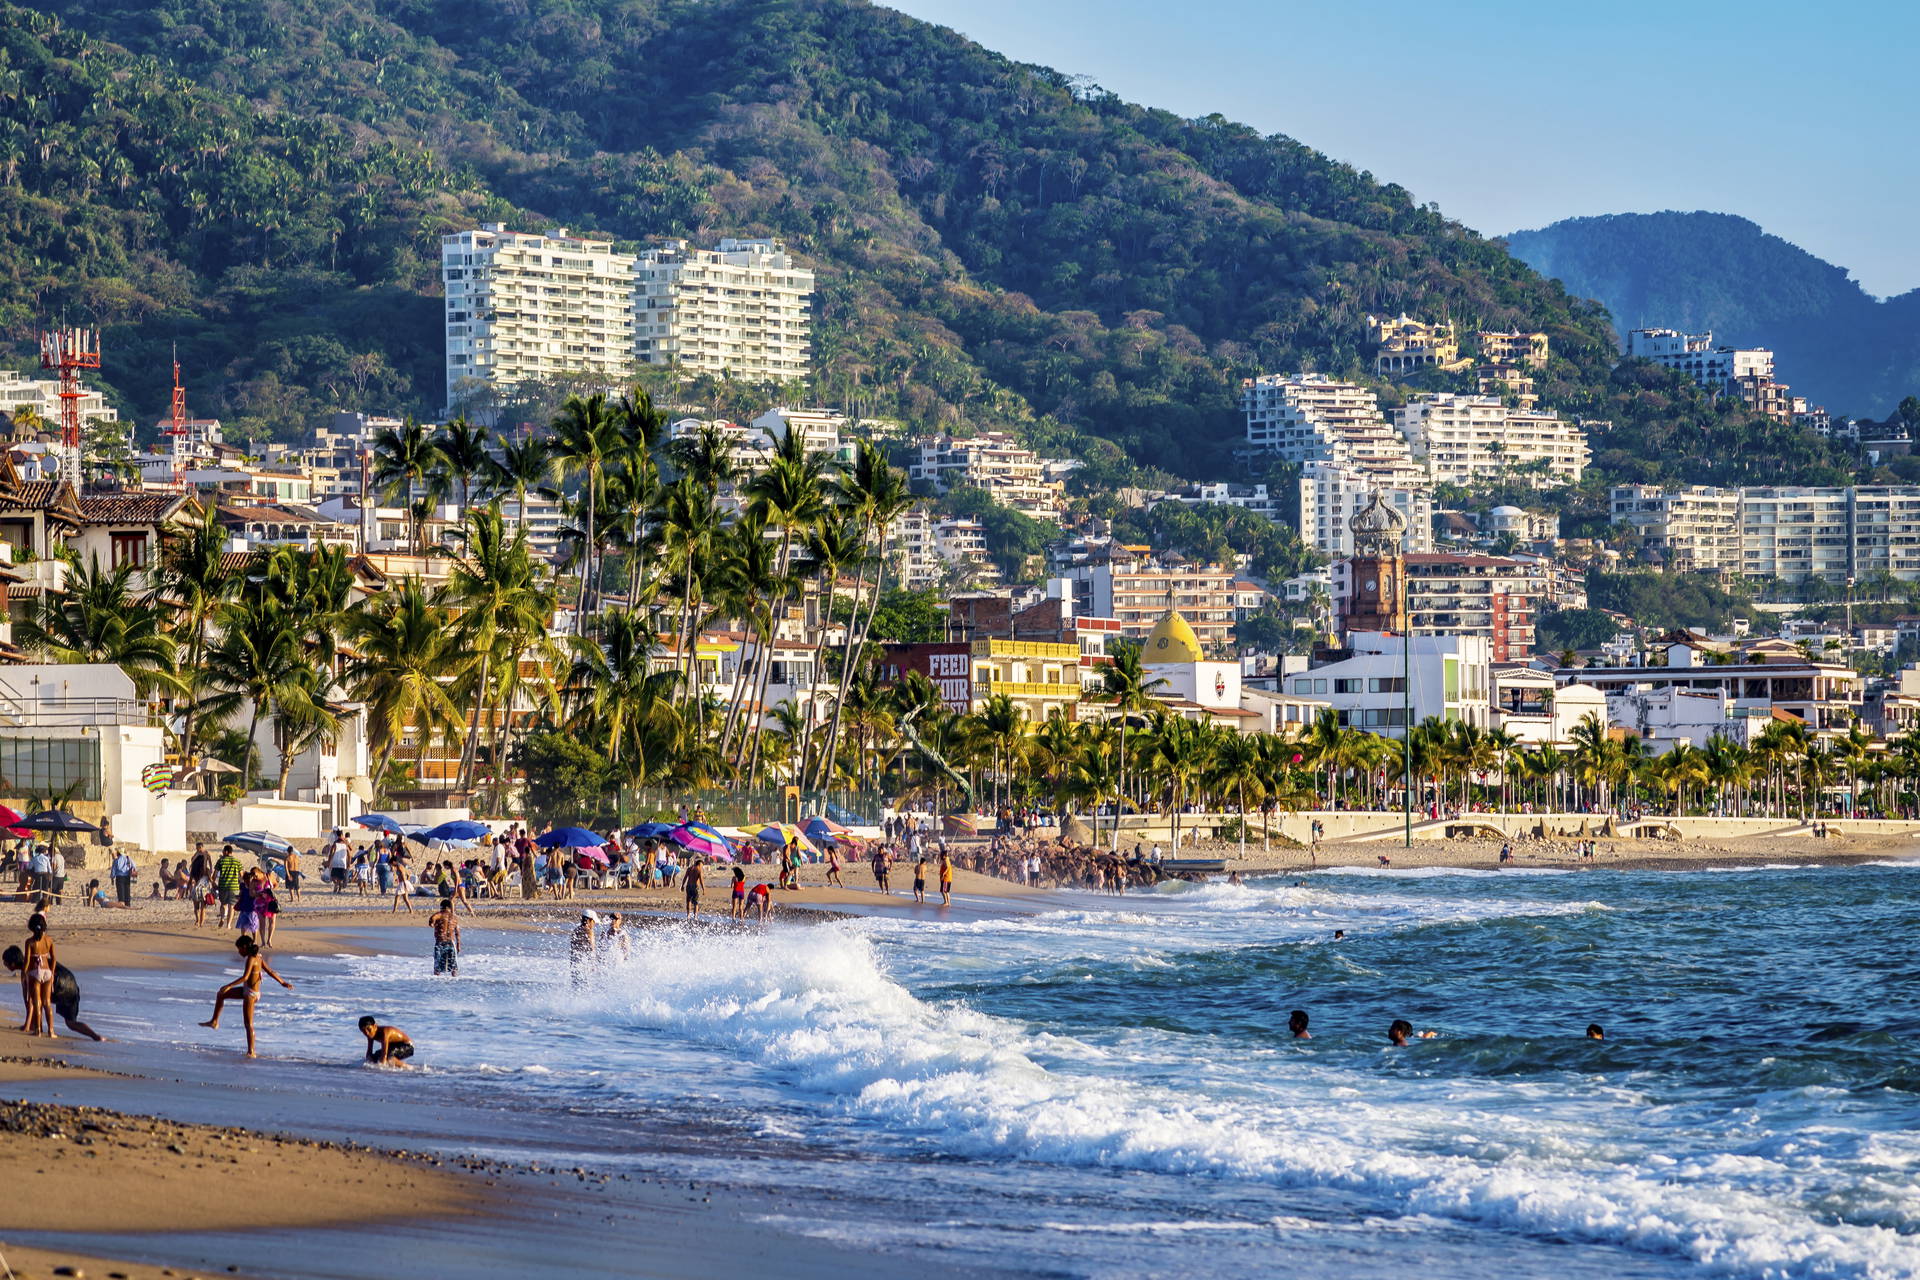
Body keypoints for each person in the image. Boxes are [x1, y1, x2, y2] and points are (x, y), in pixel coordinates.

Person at [200, 935, 293, 1058]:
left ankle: (251, 1052)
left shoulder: (251, 958)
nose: (238, 952)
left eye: (239, 949)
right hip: (246, 990)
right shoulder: (258, 957)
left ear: (244, 947)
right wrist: (282, 982)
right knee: (220, 994)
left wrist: (228, 985)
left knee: (248, 1024)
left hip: (251, 994)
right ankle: (214, 1021)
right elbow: (270, 971)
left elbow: (245, 977)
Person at [3, 944, 101, 1040]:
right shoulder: (38, 959)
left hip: (57, 983)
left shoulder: (27, 969)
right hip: (71, 985)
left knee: (37, 998)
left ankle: (36, 1027)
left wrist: (26, 1026)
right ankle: (96, 1036)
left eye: (5, 962)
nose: (4, 965)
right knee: (71, 1023)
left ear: (12, 963)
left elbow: (30, 1002)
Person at [18, 914, 56, 1038]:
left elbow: (27, 961)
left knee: (37, 1002)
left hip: (35, 972)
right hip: (47, 971)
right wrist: (53, 972)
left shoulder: (30, 942)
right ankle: (51, 1031)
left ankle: (38, 1030)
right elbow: (54, 958)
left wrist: (24, 974)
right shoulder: (49, 940)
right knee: (47, 1002)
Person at [213, 845, 243, 928]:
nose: (222, 852)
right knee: (231, 906)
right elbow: (241, 875)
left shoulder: (221, 861)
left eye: (223, 851)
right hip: (234, 887)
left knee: (223, 904)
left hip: (223, 886)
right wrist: (241, 884)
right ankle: (228, 925)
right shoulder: (237, 861)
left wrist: (213, 882)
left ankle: (222, 918)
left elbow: (215, 874)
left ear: (226, 851)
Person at [428, 899, 460, 977]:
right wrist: (458, 945)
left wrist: (431, 923)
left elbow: (433, 917)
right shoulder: (454, 918)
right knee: (454, 968)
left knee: (437, 968)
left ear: (442, 907)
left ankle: (437, 986)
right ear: (449, 907)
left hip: (440, 943)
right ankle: (455, 983)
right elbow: (457, 933)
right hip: (451, 943)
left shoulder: (440, 914)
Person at [569, 910, 597, 979]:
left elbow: (572, 949)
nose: (594, 924)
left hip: (575, 964)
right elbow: (592, 948)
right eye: (594, 922)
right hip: (585, 965)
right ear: (590, 920)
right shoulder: (589, 931)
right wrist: (594, 965)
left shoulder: (576, 930)